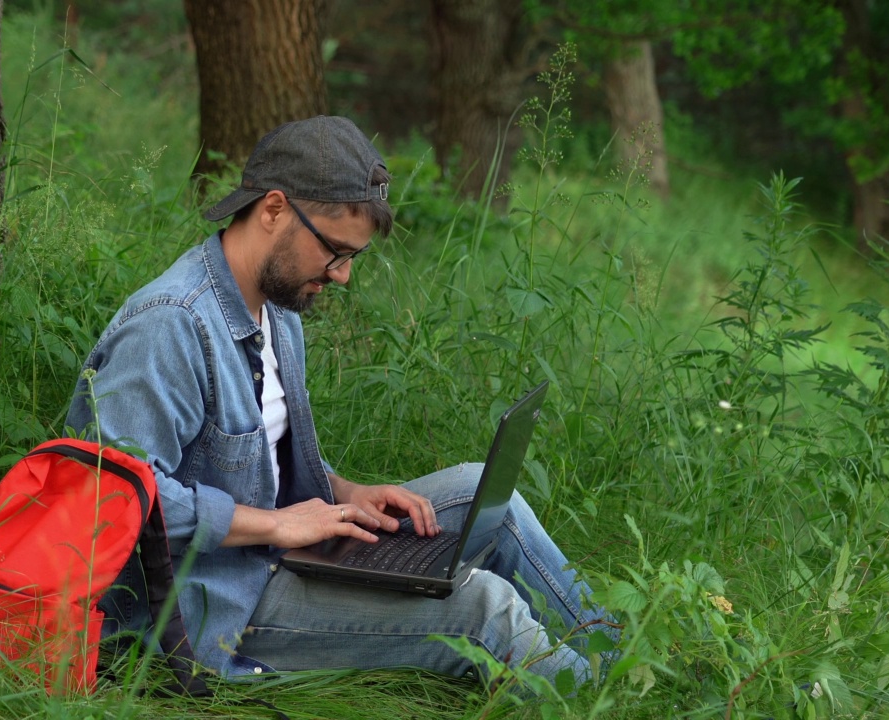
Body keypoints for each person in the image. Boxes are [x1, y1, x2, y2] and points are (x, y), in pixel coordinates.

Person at [66, 116, 617, 686]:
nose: (345, 276)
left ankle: (628, 659)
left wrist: (344, 491)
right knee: (482, 611)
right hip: (214, 603)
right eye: (334, 252)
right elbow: (113, 496)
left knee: (486, 494)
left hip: (285, 551)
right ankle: (610, 701)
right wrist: (278, 526)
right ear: (273, 209)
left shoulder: (278, 311)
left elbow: (256, 461)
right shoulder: (170, 328)